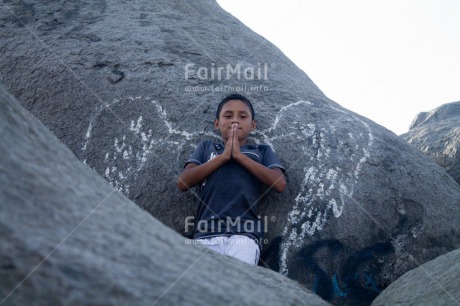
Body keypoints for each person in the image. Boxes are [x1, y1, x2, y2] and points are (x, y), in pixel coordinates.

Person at [177, 93, 286, 265]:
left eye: (242, 117)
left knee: (237, 284)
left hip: (244, 236)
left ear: (253, 125)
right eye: (228, 116)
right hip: (206, 234)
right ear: (217, 123)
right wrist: (223, 157)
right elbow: (183, 182)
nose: (235, 121)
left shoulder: (261, 151)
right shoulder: (207, 147)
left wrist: (239, 157)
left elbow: (279, 183)